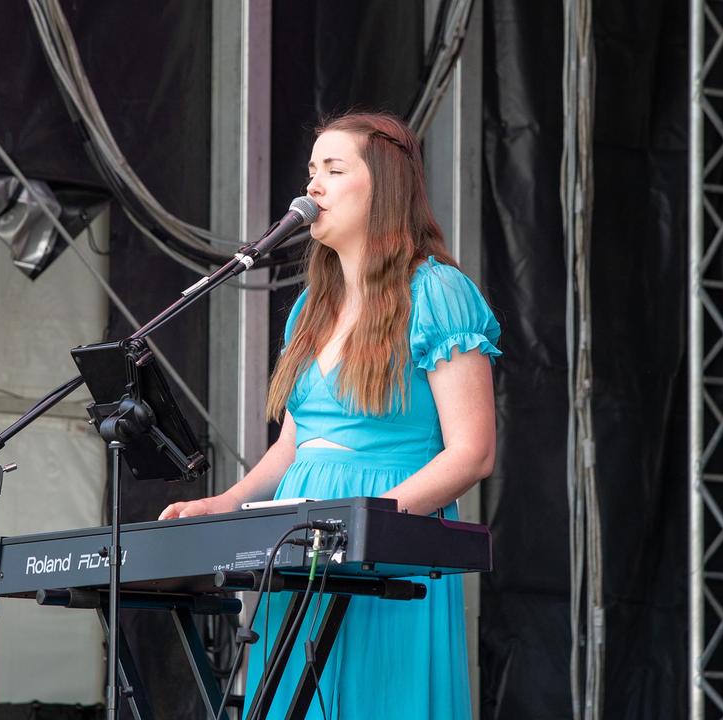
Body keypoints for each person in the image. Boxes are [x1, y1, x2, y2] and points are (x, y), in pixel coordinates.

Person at [160, 112, 500, 719]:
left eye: (334, 169)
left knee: (379, 697)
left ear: (386, 186)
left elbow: (471, 451)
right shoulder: (308, 312)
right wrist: (223, 504)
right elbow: (296, 444)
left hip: (387, 534)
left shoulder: (438, 291)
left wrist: (369, 525)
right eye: (311, 170)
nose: (312, 186)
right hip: (300, 540)